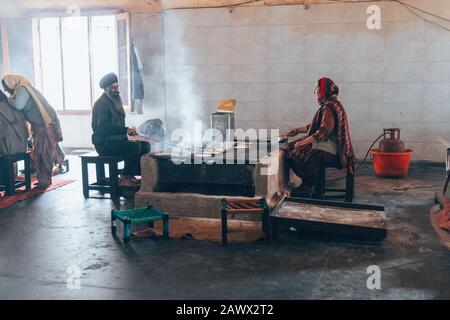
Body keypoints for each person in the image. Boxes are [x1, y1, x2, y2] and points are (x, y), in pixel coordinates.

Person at [283, 77, 355, 197]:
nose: (315, 91)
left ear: (323, 90)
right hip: (332, 146)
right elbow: (316, 126)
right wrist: (297, 131)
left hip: (333, 151)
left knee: (295, 152)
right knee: (291, 146)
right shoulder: (331, 104)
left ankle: (309, 184)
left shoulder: (328, 107)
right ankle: (310, 184)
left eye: (316, 88)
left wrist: (301, 143)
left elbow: (322, 132)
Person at [2, 75, 65, 189]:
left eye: (6, 87)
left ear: (12, 83)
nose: (6, 90)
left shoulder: (22, 89)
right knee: (46, 149)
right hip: (43, 124)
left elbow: (18, 105)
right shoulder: (24, 89)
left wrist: (8, 100)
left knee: (42, 153)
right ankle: (57, 164)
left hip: (44, 125)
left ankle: (44, 181)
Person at [91, 73, 150, 187]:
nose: (116, 90)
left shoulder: (116, 100)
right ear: (106, 88)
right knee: (134, 147)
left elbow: (118, 125)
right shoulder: (101, 104)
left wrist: (129, 131)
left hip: (117, 142)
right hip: (105, 144)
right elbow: (102, 128)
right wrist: (125, 130)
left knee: (145, 145)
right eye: (112, 87)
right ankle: (125, 178)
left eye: (117, 86)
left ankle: (132, 175)